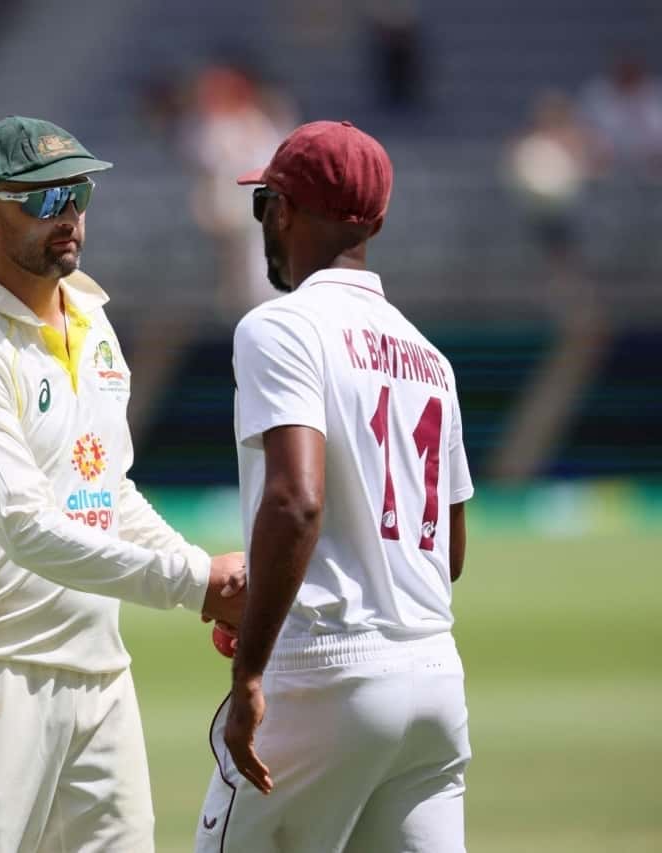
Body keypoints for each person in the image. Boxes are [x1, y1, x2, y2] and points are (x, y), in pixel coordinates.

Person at [0, 115, 246, 853]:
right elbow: (25, 525)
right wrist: (194, 582)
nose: (70, 216)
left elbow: (107, 493)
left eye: (78, 192)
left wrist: (205, 576)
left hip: (100, 677)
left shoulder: (91, 320)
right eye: (44, 199)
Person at [195, 121, 474, 852]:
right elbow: (447, 552)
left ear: (283, 209)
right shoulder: (431, 357)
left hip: (322, 676)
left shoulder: (280, 327)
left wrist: (252, 665)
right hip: (434, 679)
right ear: (375, 221)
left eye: (264, 205)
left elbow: (296, 501)